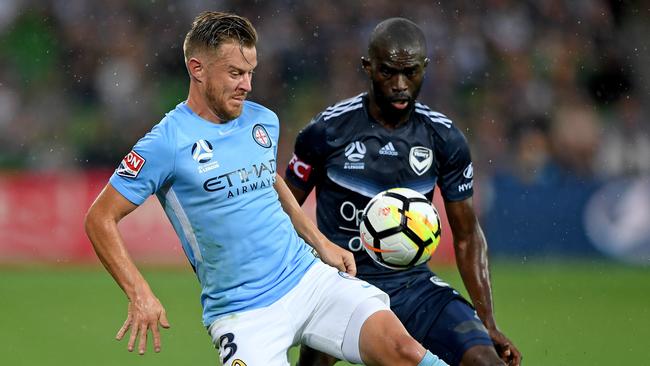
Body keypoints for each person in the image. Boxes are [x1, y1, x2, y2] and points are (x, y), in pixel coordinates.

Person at [84, 11, 448, 366]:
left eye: (250, 73)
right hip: (243, 313)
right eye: (235, 73)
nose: (247, 85)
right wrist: (139, 292)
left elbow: (267, 180)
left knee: (402, 351)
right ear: (197, 69)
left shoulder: (263, 121)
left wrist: (319, 243)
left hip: (309, 280)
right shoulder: (166, 142)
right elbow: (99, 218)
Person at [285, 17, 522, 366]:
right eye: (387, 72)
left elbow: (468, 236)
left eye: (410, 73)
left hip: (414, 286)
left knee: (486, 361)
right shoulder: (326, 131)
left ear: (424, 68)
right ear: (368, 67)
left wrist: (489, 322)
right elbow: (280, 209)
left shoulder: (444, 138)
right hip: (341, 284)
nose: (400, 85)